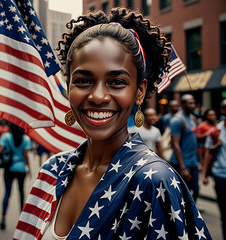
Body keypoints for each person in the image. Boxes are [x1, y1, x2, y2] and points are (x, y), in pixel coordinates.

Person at [14, 8, 211, 240]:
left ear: (139, 92)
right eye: (83, 80)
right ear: (69, 88)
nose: (98, 96)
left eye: (116, 82)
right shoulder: (52, 170)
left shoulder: (155, 181)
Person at [0, 123, 32, 230]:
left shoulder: (6, 136)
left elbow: (0, 151)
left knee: (7, 193)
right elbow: (26, 155)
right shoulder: (25, 139)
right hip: (21, 169)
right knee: (21, 192)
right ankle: (22, 220)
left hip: (9, 168)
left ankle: (3, 218)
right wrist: (28, 168)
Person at [201, 100, 226, 240]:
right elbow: (208, 153)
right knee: (224, 212)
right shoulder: (215, 131)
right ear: (223, 111)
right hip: (220, 175)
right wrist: (203, 174)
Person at [169, 94, 200, 202]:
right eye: (190, 103)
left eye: (194, 102)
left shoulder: (193, 118)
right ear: (183, 104)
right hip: (181, 164)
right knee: (182, 195)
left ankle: (190, 216)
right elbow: (175, 144)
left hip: (193, 162)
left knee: (195, 191)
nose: (193, 105)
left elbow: (195, 140)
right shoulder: (177, 120)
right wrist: (182, 168)